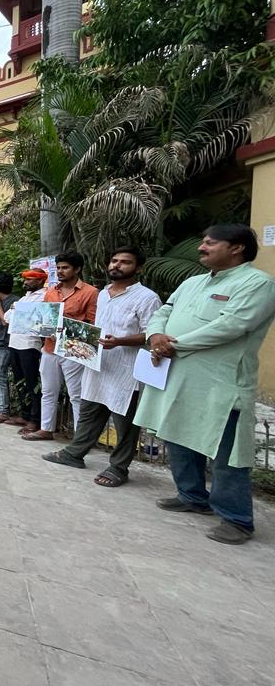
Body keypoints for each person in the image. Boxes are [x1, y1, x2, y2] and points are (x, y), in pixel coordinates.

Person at [135, 224, 275, 545]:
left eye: (210, 243)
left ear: (237, 248)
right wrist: (155, 335)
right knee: (177, 435)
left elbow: (232, 326)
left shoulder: (259, 284)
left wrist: (174, 344)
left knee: (226, 451)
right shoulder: (193, 282)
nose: (202, 247)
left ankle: (237, 518)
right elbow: (165, 310)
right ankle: (192, 496)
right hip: (179, 377)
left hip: (222, 384)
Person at [43, 247, 161, 487]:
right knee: (89, 412)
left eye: (125, 262)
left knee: (124, 422)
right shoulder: (104, 293)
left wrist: (119, 341)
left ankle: (119, 468)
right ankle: (74, 454)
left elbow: (153, 333)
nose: (116, 265)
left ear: (138, 268)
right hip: (97, 365)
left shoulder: (147, 298)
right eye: (114, 261)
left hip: (126, 370)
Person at [23, 251, 98, 441]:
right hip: (49, 347)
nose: (60, 271)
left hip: (74, 349)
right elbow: (44, 319)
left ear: (78, 269)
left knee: (76, 394)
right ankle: (46, 429)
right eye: (58, 268)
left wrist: (66, 326)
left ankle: (81, 437)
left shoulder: (90, 292)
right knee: (48, 390)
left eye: (65, 267)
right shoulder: (51, 292)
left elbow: (92, 322)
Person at [5, 269, 48, 433]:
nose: (26, 282)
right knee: (19, 381)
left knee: (32, 383)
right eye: (26, 279)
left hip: (30, 345)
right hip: (15, 342)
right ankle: (24, 414)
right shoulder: (25, 297)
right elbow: (8, 318)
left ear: (40, 281)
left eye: (30, 279)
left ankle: (34, 419)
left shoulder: (45, 296)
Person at [0, 272, 21, 424]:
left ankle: (3, 411)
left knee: (0, 378)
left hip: (5, 345)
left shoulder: (15, 302)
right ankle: (1, 407)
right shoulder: (5, 299)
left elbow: (5, 321)